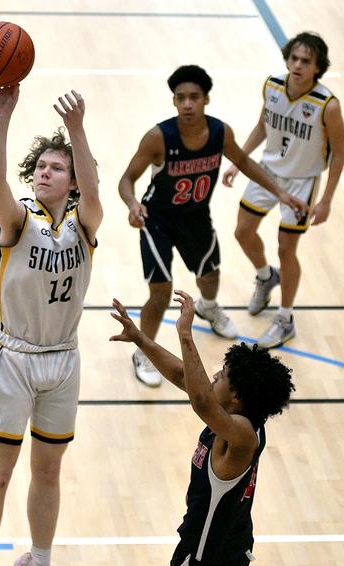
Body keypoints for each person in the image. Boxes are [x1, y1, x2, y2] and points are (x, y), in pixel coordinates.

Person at [0, 84, 101, 566]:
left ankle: (41, 559)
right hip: (15, 360)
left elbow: (93, 190)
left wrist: (77, 131)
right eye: (41, 166)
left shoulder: (85, 223)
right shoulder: (19, 220)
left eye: (57, 167)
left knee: (48, 471)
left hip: (64, 360)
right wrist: (2, 115)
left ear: (73, 181)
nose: (46, 172)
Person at [118, 65, 308, 387]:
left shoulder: (220, 133)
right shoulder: (158, 137)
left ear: (206, 99)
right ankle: (144, 353)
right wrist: (133, 204)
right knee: (161, 293)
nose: (187, 104)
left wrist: (280, 192)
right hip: (158, 220)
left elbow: (246, 162)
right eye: (181, 98)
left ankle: (208, 307)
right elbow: (126, 179)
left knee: (210, 276)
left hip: (196, 216)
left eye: (194, 97)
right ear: (174, 102)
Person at [109, 291, 295, 566]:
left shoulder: (243, 435)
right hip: (223, 543)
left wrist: (185, 333)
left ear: (237, 397)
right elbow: (184, 376)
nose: (216, 375)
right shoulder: (238, 417)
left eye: (224, 374)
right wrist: (140, 339)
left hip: (208, 556)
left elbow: (201, 401)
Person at [222, 32, 344, 348]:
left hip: (303, 181)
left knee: (286, 248)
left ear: (318, 67)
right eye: (294, 58)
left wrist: (327, 200)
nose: (297, 65)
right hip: (267, 173)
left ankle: (285, 317)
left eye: (306, 61)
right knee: (242, 232)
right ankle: (266, 277)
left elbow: (340, 154)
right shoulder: (272, 85)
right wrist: (240, 160)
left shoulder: (327, 105)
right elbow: (263, 125)